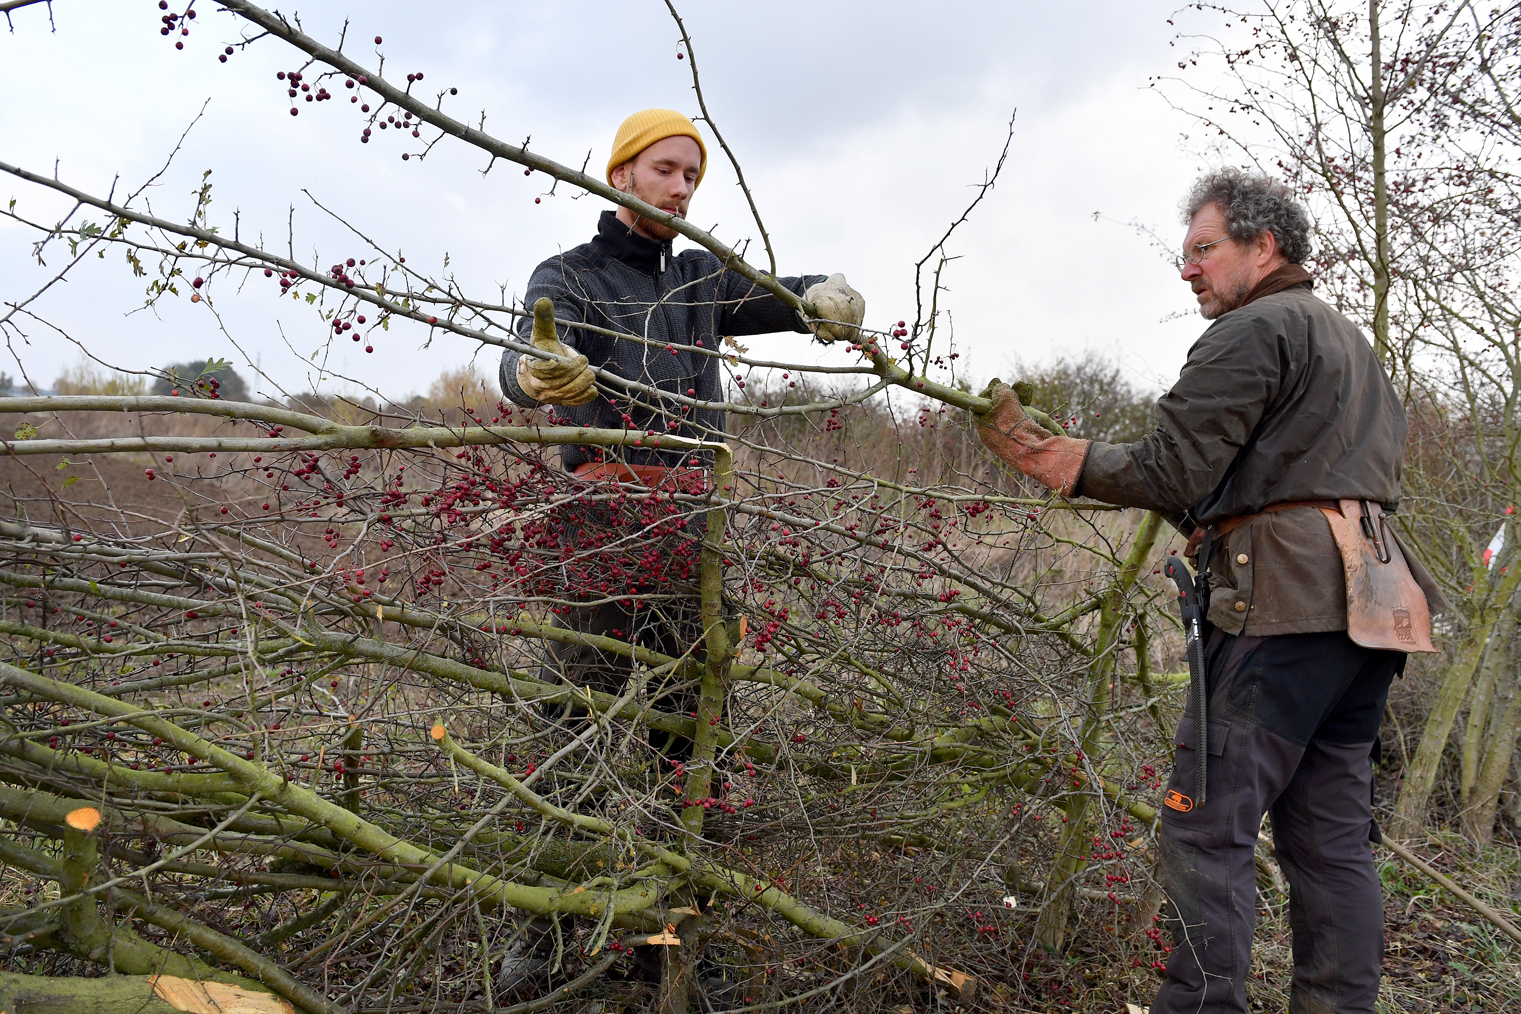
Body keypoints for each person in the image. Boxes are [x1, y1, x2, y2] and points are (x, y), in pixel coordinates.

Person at [975, 169, 1445, 1014]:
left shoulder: (1251, 328)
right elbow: (1268, 477)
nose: (1187, 270)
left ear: (1262, 248)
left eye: (1202, 250)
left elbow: (1170, 467)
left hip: (1285, 606)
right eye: (1183, 254)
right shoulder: (1344, 341)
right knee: (1329, 841)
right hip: (1373, 609)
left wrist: (1055, 457)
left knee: (1204, 825)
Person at [498, 108, 863, 759]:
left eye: (690, 175)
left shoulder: (700, 278)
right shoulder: (569, 277)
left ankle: (690, 848)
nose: (680, 188)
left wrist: (821, 295)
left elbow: (781, 295)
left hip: (697, 522)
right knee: (581, 713)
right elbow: (527, 349)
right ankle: (565, 845)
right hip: (605, 524)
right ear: (621, 176)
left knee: (696, 720)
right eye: (664, 170)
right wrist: (536, 370)